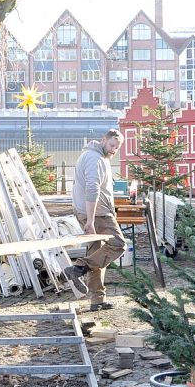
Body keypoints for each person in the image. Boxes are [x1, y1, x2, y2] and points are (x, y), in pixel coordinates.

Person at [64, 130, 127, 312]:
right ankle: (79, 267)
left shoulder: (95, 156)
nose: (114, 150)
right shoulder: (95, 159)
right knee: (117, 245)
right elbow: (93, 189)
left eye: (117, 147)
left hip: (92, 212)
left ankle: (97, 300)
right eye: (112, 145)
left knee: (97, 254)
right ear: (103, 140)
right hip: (98, 214)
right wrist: (90, 220)